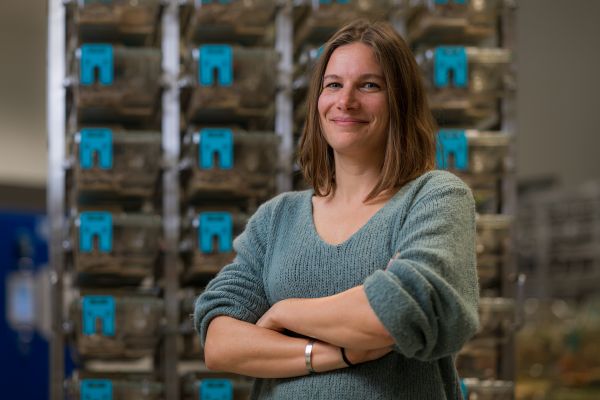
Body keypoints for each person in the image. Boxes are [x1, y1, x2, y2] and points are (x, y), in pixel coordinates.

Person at [194, 19, 479, 399]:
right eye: (333, 85)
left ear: (401, 100)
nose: (346, 101)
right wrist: (333, 353)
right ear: (317, 102)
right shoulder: (277, 218)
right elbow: (220, 341)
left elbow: (404, 310)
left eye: (369, 85)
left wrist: (284, 312)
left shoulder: (434, 197)